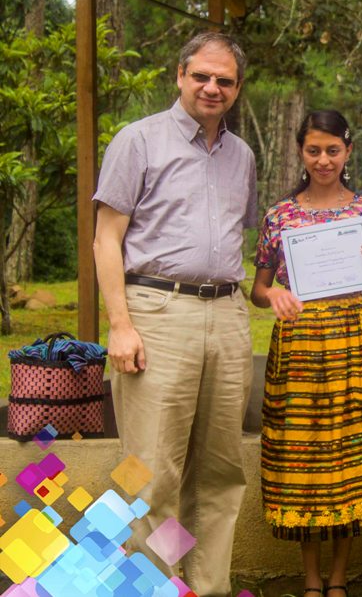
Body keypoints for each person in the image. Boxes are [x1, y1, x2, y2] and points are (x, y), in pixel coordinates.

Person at [92, 32, 256, 597]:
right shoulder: (137, 141)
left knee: (220, 473)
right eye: (202, 76)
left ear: (236, 88)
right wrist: (120, 324)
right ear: (180, 75)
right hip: (156, 314)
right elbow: (105, 239)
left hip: (227, 316)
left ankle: (208, 588)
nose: (212, 87)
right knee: (152, 473)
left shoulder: (242, 156)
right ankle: (155, 589)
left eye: (225, 80)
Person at [252, 110, 362, 597]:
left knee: (349, 456)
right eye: (313, 150)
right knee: (305, 458)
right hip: (299, 345)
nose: (323, 160)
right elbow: (258, 288)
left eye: (332, 150)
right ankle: (311, 577)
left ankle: (339, 577)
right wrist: (272, 296)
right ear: (301, 151)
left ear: (348, 151)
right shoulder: (280, 216)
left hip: (354, 342)